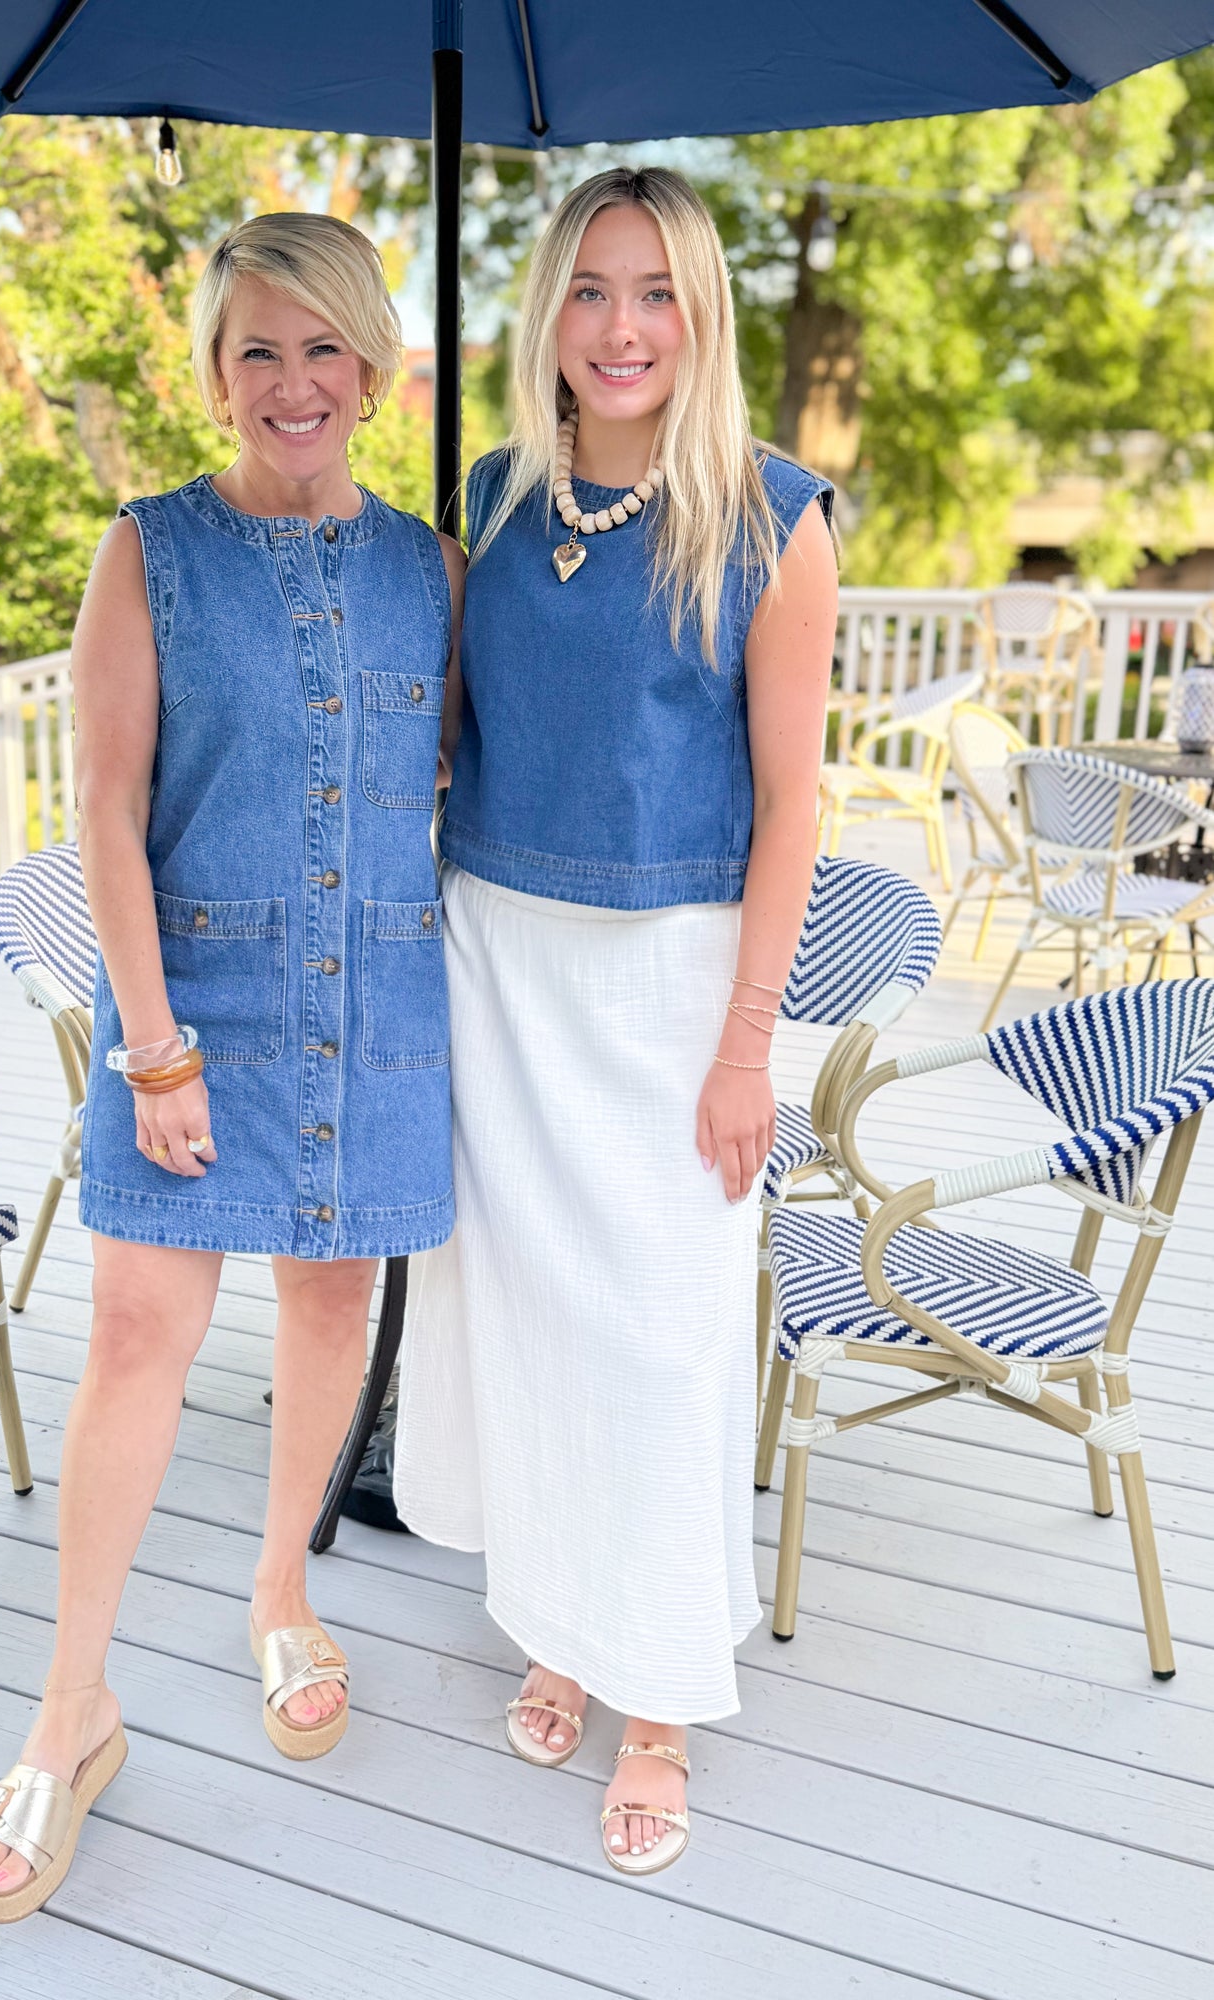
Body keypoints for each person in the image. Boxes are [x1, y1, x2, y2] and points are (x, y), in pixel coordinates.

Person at [0, 211, 462, 1922]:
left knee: (332, 1308)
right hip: (195, 1021)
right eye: (258, 349)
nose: (294, 381)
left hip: (380, 1013)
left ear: (376, 368)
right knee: (139, 1336)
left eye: (325, 347)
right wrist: (155, 1045)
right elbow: (104, 805)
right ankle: (72, 1705)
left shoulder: (432, 568)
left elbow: (456, 791)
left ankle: (279, 1595)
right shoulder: (148, 550)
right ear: (214, 373)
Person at [395, 166, 837, 1876]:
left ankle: (659, 1695)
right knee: (529, 1322)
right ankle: (564, 1621)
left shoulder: (774, 519)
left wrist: (748, 1047)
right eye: (590, 290)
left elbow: (794, 806)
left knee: (659, 1333)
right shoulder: (492, 505)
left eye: (656, 292)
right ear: (548, 318)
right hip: (497, 961)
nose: (623, 327)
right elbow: (452, 738)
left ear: (703, 315)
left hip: (670, 991)